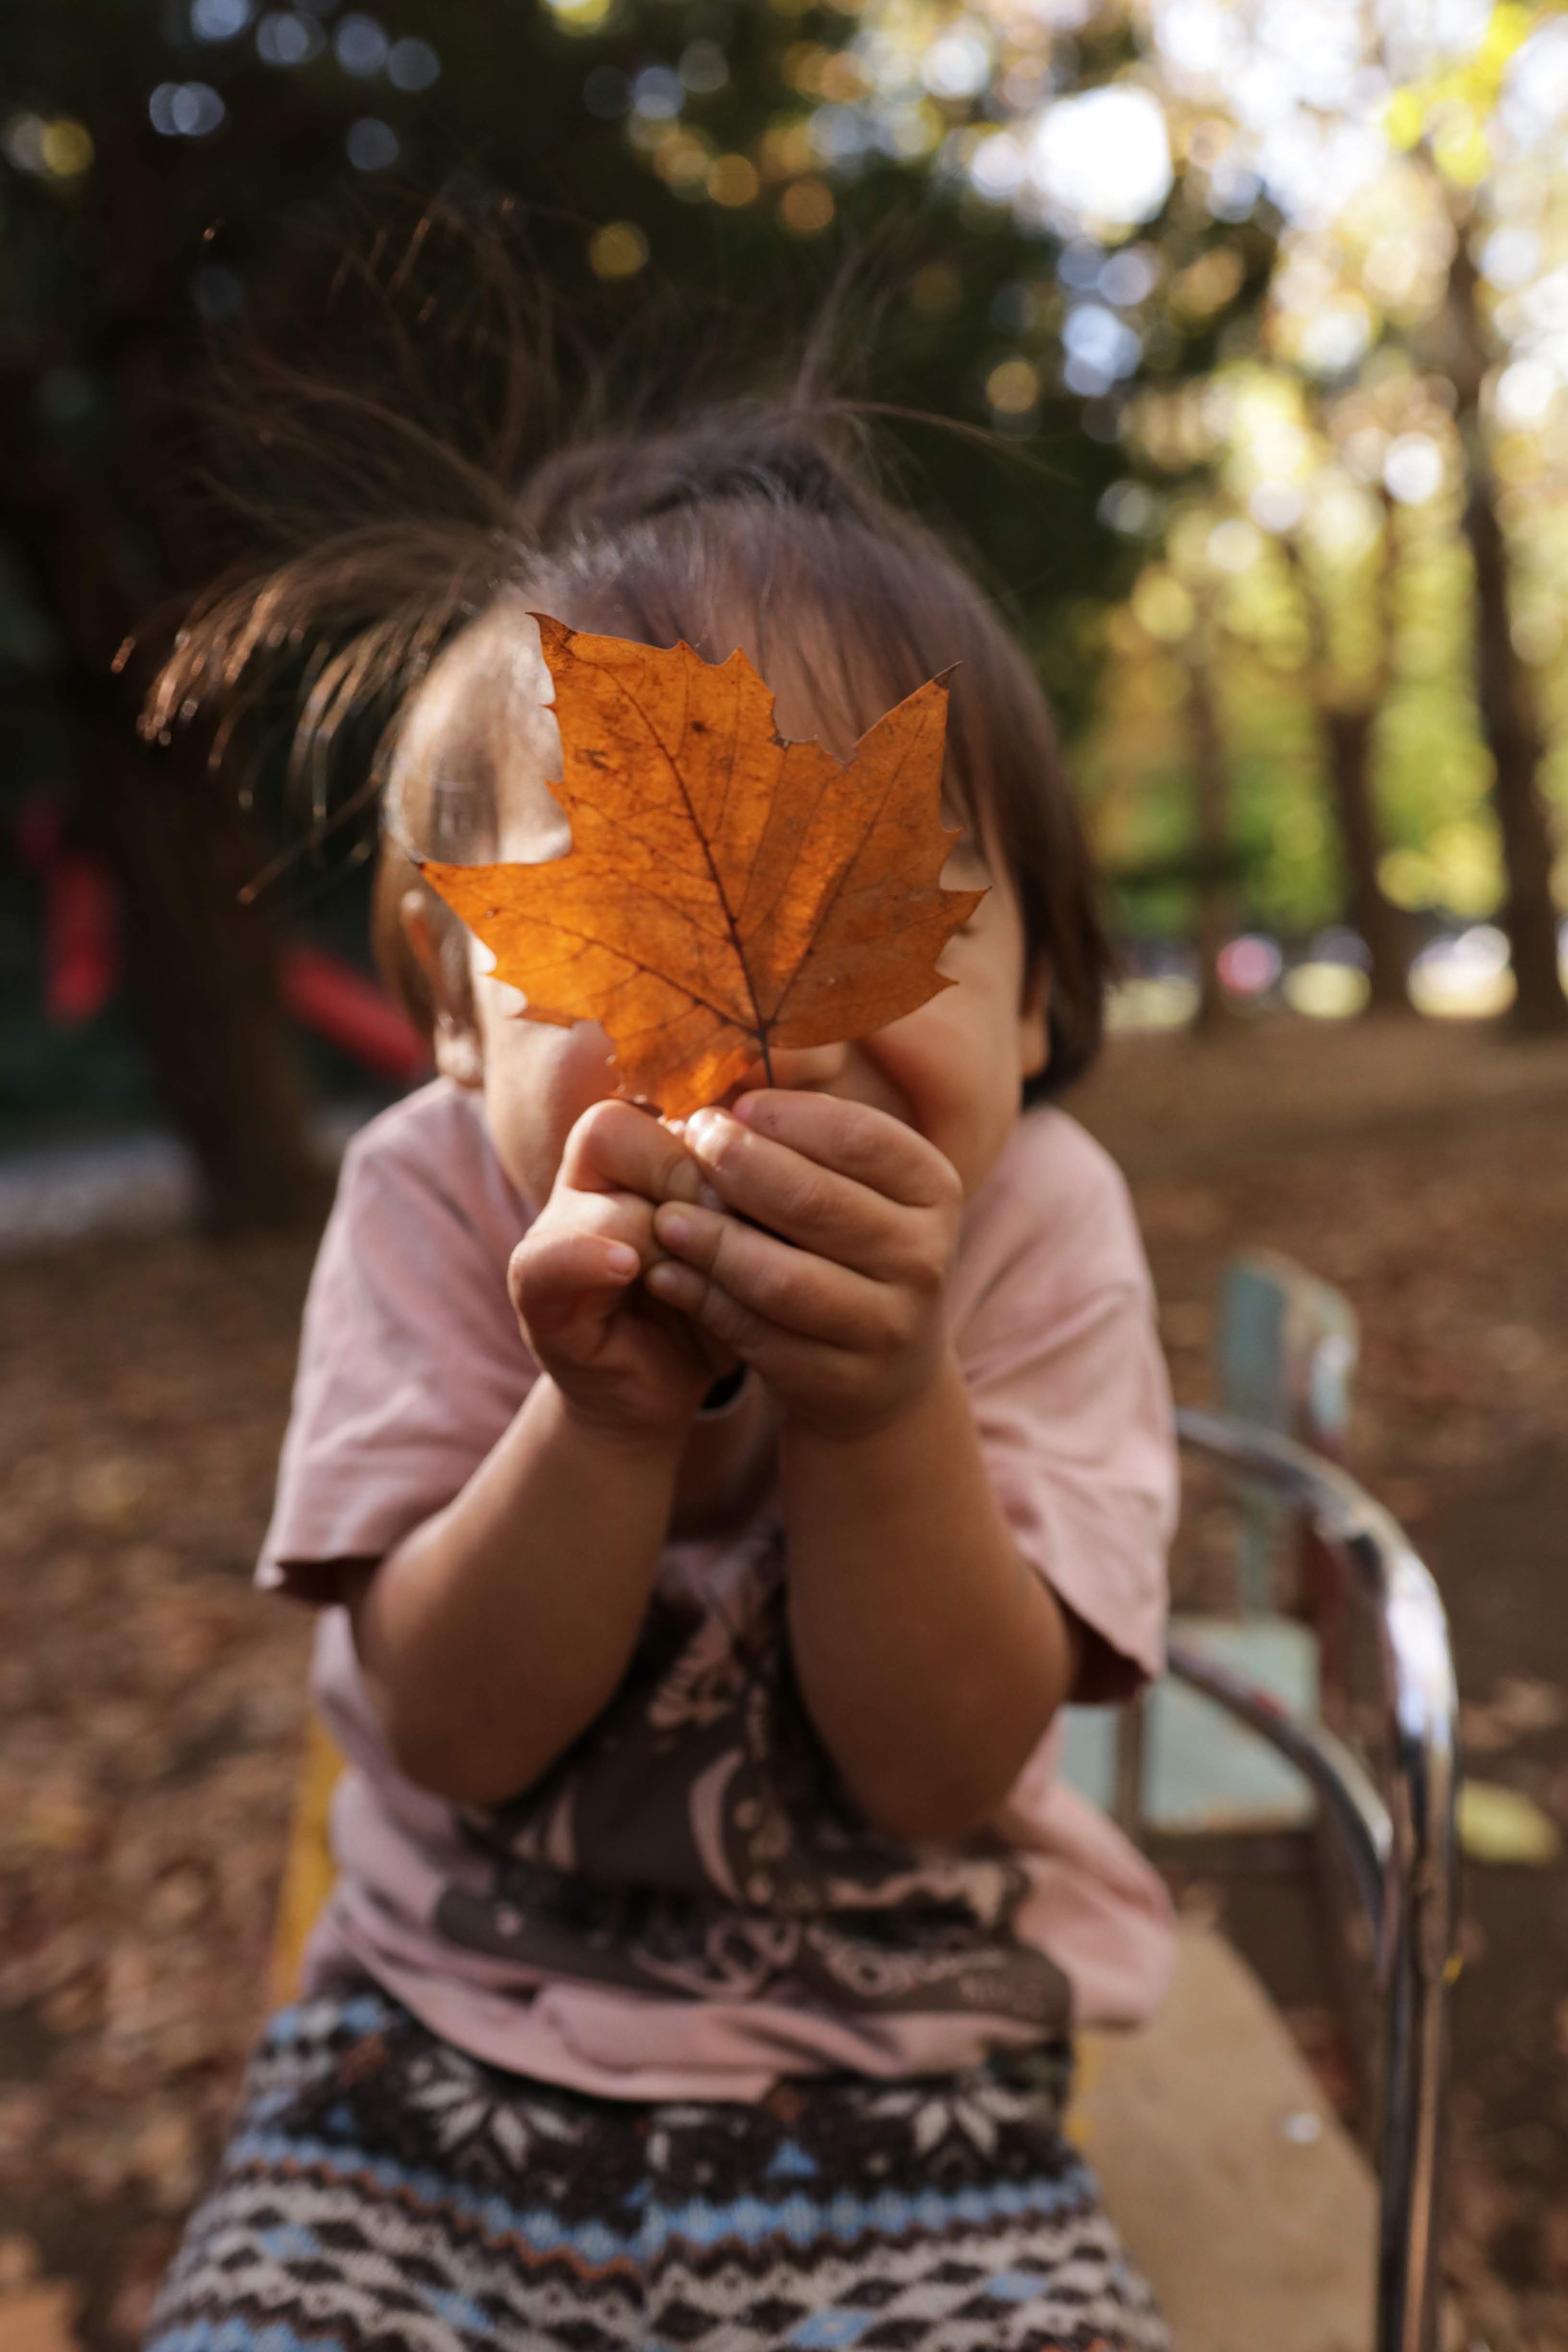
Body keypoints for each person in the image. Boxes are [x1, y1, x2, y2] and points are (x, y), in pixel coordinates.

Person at [142, 378, 1179, 2352]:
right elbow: (444, 1730)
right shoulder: (430, 1206)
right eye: (629, 931)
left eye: (890, 910)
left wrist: (881, 1410)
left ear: (1040, 994)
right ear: (455, 1010)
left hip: (906, 2078)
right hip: (431, 2052)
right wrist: (599, 1418)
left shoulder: (1040, 1225)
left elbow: (946, 1768)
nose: (772, 1032)